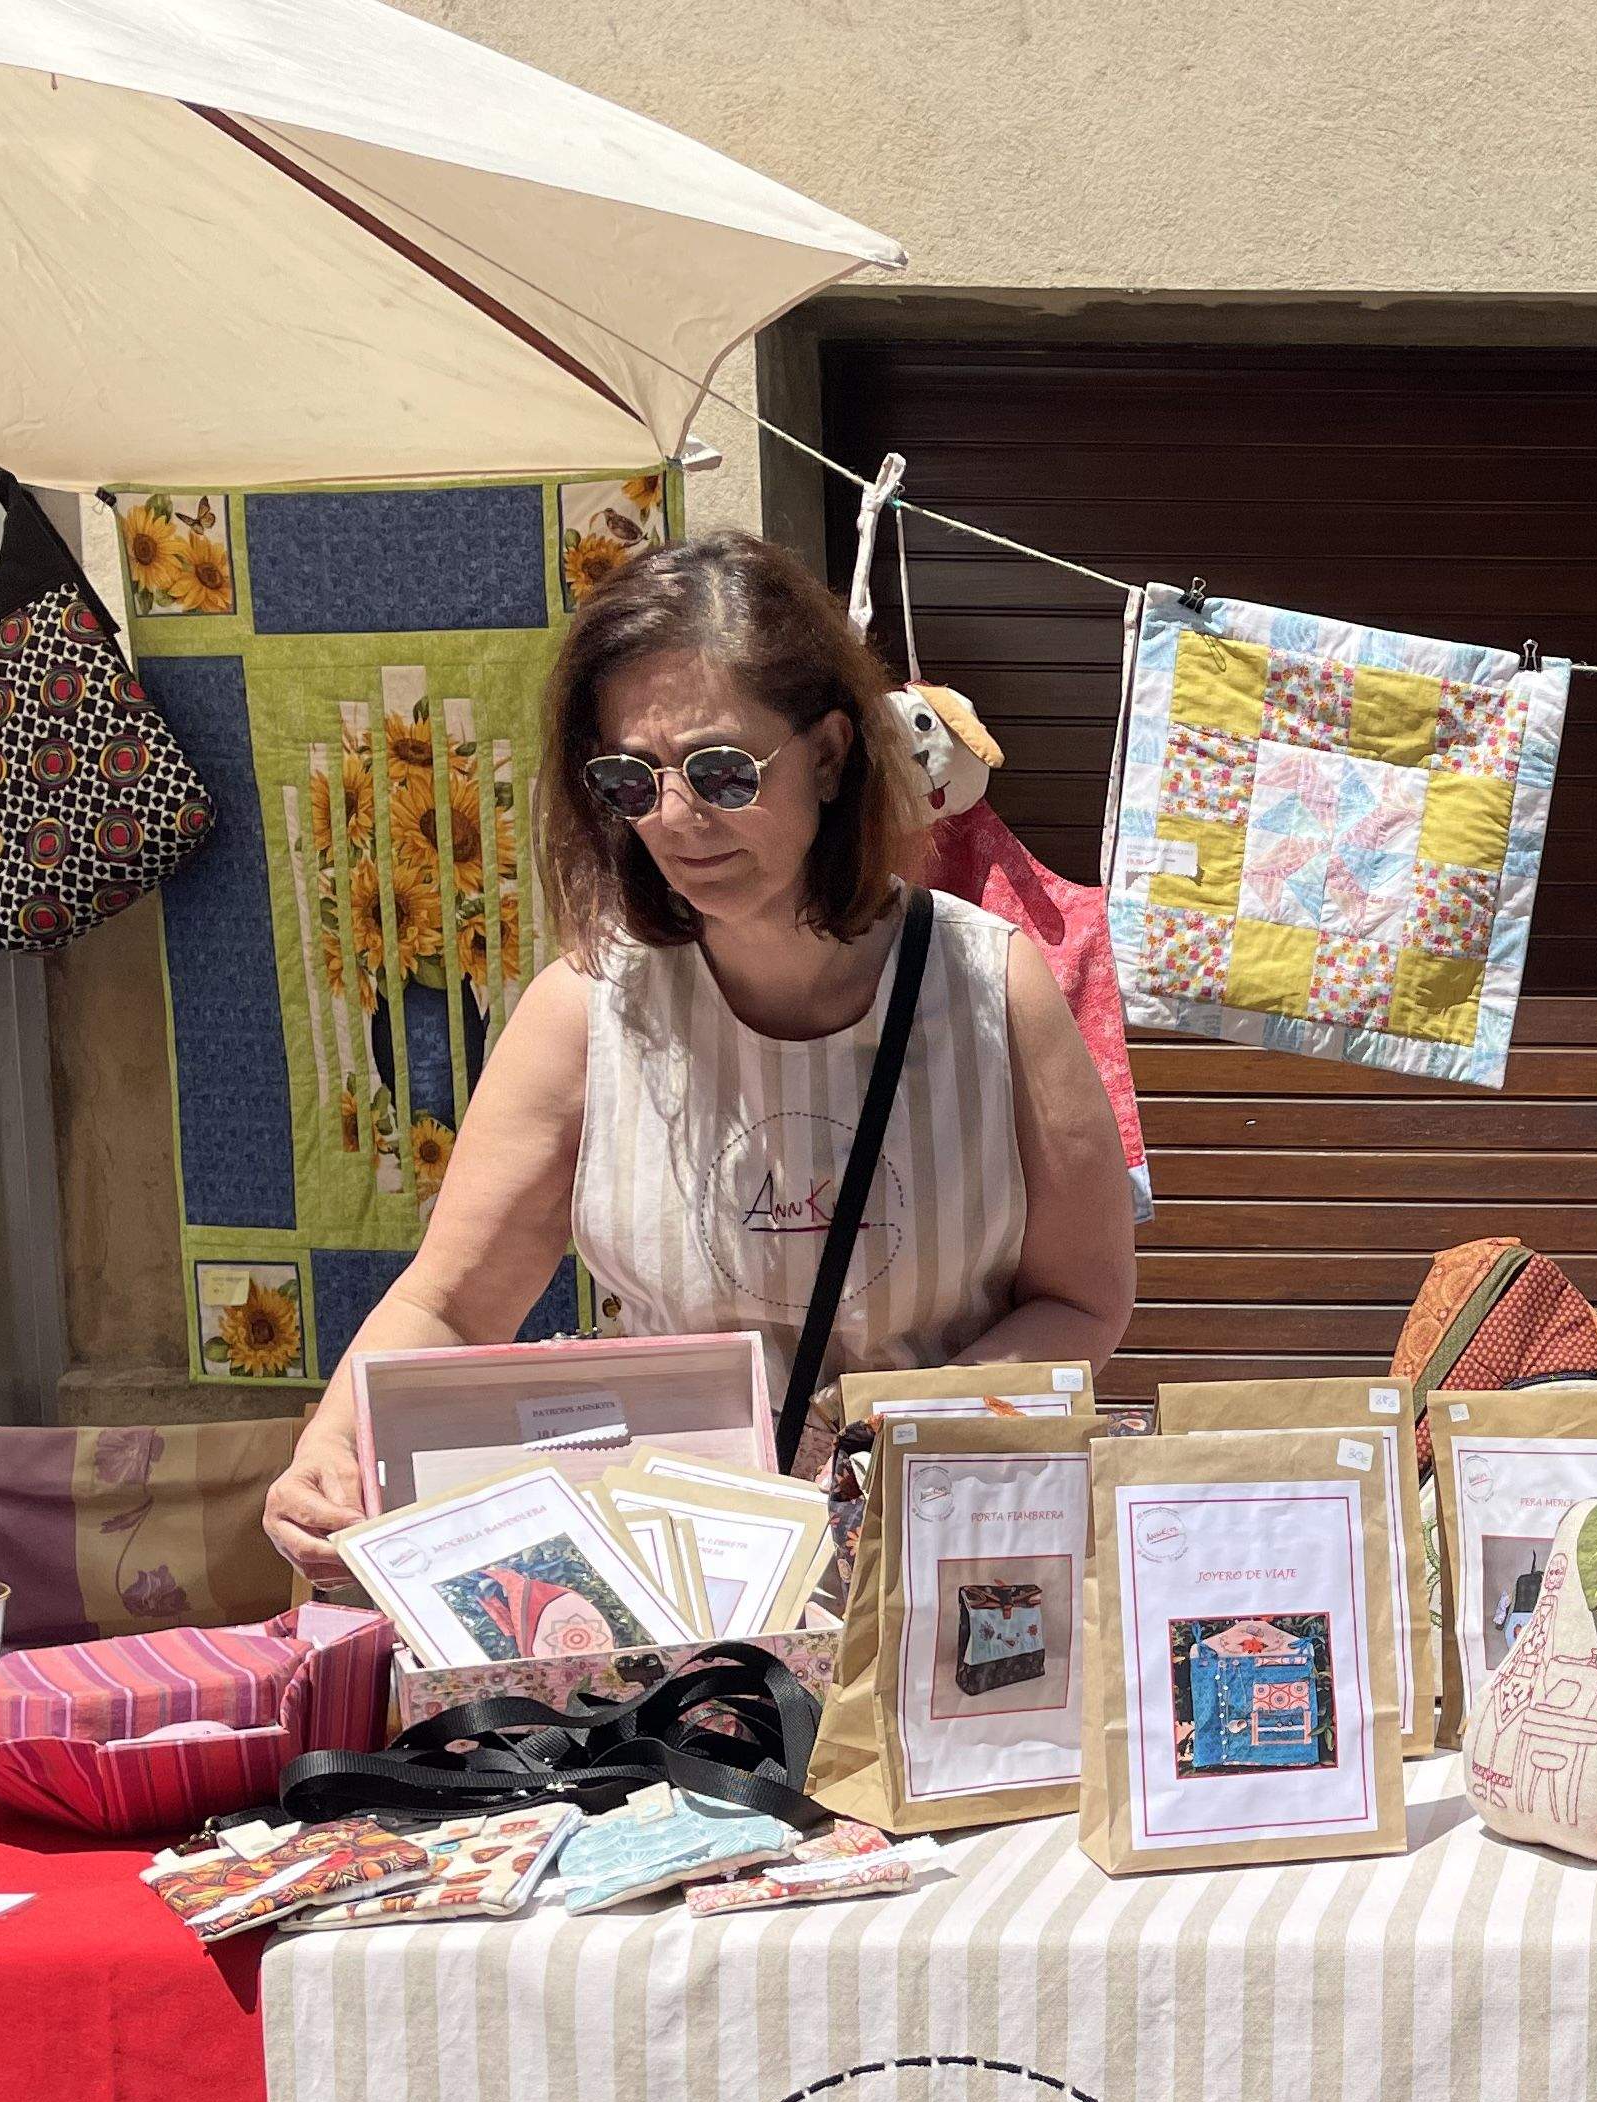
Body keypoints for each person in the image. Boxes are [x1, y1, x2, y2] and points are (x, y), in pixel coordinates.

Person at [264, 534, 1137, 1579]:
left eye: (723, 772)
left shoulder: (996, 987)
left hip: (951, 1564)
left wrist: (895, 1444)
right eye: (631, 780)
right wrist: (331, 1444)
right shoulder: (584, 1013)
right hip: (684, 1589)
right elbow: (449, 1302)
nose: (675, 820)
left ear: (828, 752)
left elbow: (1084, 1299)